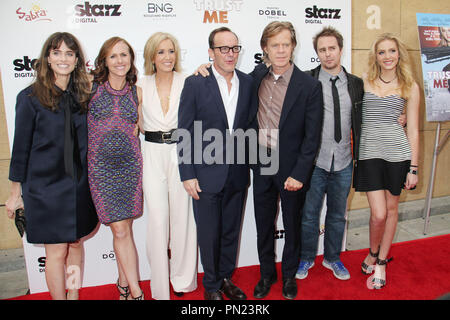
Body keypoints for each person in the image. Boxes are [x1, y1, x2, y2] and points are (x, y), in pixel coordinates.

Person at [5, 32, 98, 300]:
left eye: (69, 53)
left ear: (77, 59)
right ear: (47, 57)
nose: (63, 58)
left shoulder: (83, 96)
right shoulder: (30, 97)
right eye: (57, 52)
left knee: (76, 245)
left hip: (78, 186)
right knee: (56, 252)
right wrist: (15, 194)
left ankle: (73, 293)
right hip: (46, 189)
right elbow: (20, 149)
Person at [177, 27, 253, 300]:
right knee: (209, 234)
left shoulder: (248, 82)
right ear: (211, 52)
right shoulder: (196, 83)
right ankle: (210, 286)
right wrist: (187, 173)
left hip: (238, 172)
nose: (230, 54)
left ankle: (224, 279)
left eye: (234, 48)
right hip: (205, 173)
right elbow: (184, 130)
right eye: (223, 49)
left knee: (231, 232)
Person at [249, 21, 323, 300]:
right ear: (265, 48)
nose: (280, 50)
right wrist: (203, 70)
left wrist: (300, 173)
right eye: (274, 44)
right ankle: (266, 273)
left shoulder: (309, 85)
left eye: (285, 44)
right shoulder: (255, 77)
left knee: (293, 223)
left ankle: (289, 275)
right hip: (261, 162)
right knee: (263, 223)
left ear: (293, 46)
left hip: (292, 167)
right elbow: (225, 81)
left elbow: (311, 137)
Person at [295, 26, 364, 282]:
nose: (327, 54)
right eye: (322, 50)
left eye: (331, 48)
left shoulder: (356, 84)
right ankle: (307, 258)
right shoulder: (306, 79)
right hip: (315, 162)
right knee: (310, 214)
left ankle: (333, 258)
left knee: (337, 215)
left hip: (344, 161)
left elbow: (365, 117)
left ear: (341, 50)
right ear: (317, 54)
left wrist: (397, 117)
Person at [354, 33, 420, 289]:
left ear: (399, 54)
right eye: (382, 52)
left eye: (392, 51)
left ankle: (381, 261)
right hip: (370, 154)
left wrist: (413, 167)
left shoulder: (410, 86)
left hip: (398, 155)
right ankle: (372, 249)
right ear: (376, 56)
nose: (387, 56)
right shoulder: (365, 83)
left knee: (391, 210)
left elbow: (413, 130)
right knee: (378, 214)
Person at [137, 32, 197, 300]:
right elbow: (135, 122)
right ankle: (160, 287)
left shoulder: (189, 81)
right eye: (161, 52)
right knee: (158, 221)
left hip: (180, 151)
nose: (167, 57)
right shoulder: (139, 83)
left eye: (171, 51)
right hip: (150, 152)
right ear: (152, 56)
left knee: (183, 219)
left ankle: (183, 281)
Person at [88, 37, 144, 300]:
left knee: (125, 230)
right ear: (104, 61)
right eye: (113, 56)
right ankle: (136, 291)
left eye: (124, 55)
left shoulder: (137, 92)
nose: (120, 61)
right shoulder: (91, 88)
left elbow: (143, 126)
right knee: (121, 230)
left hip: (131, 168)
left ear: (131, 59)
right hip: (101, 171)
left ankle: (122, 284)